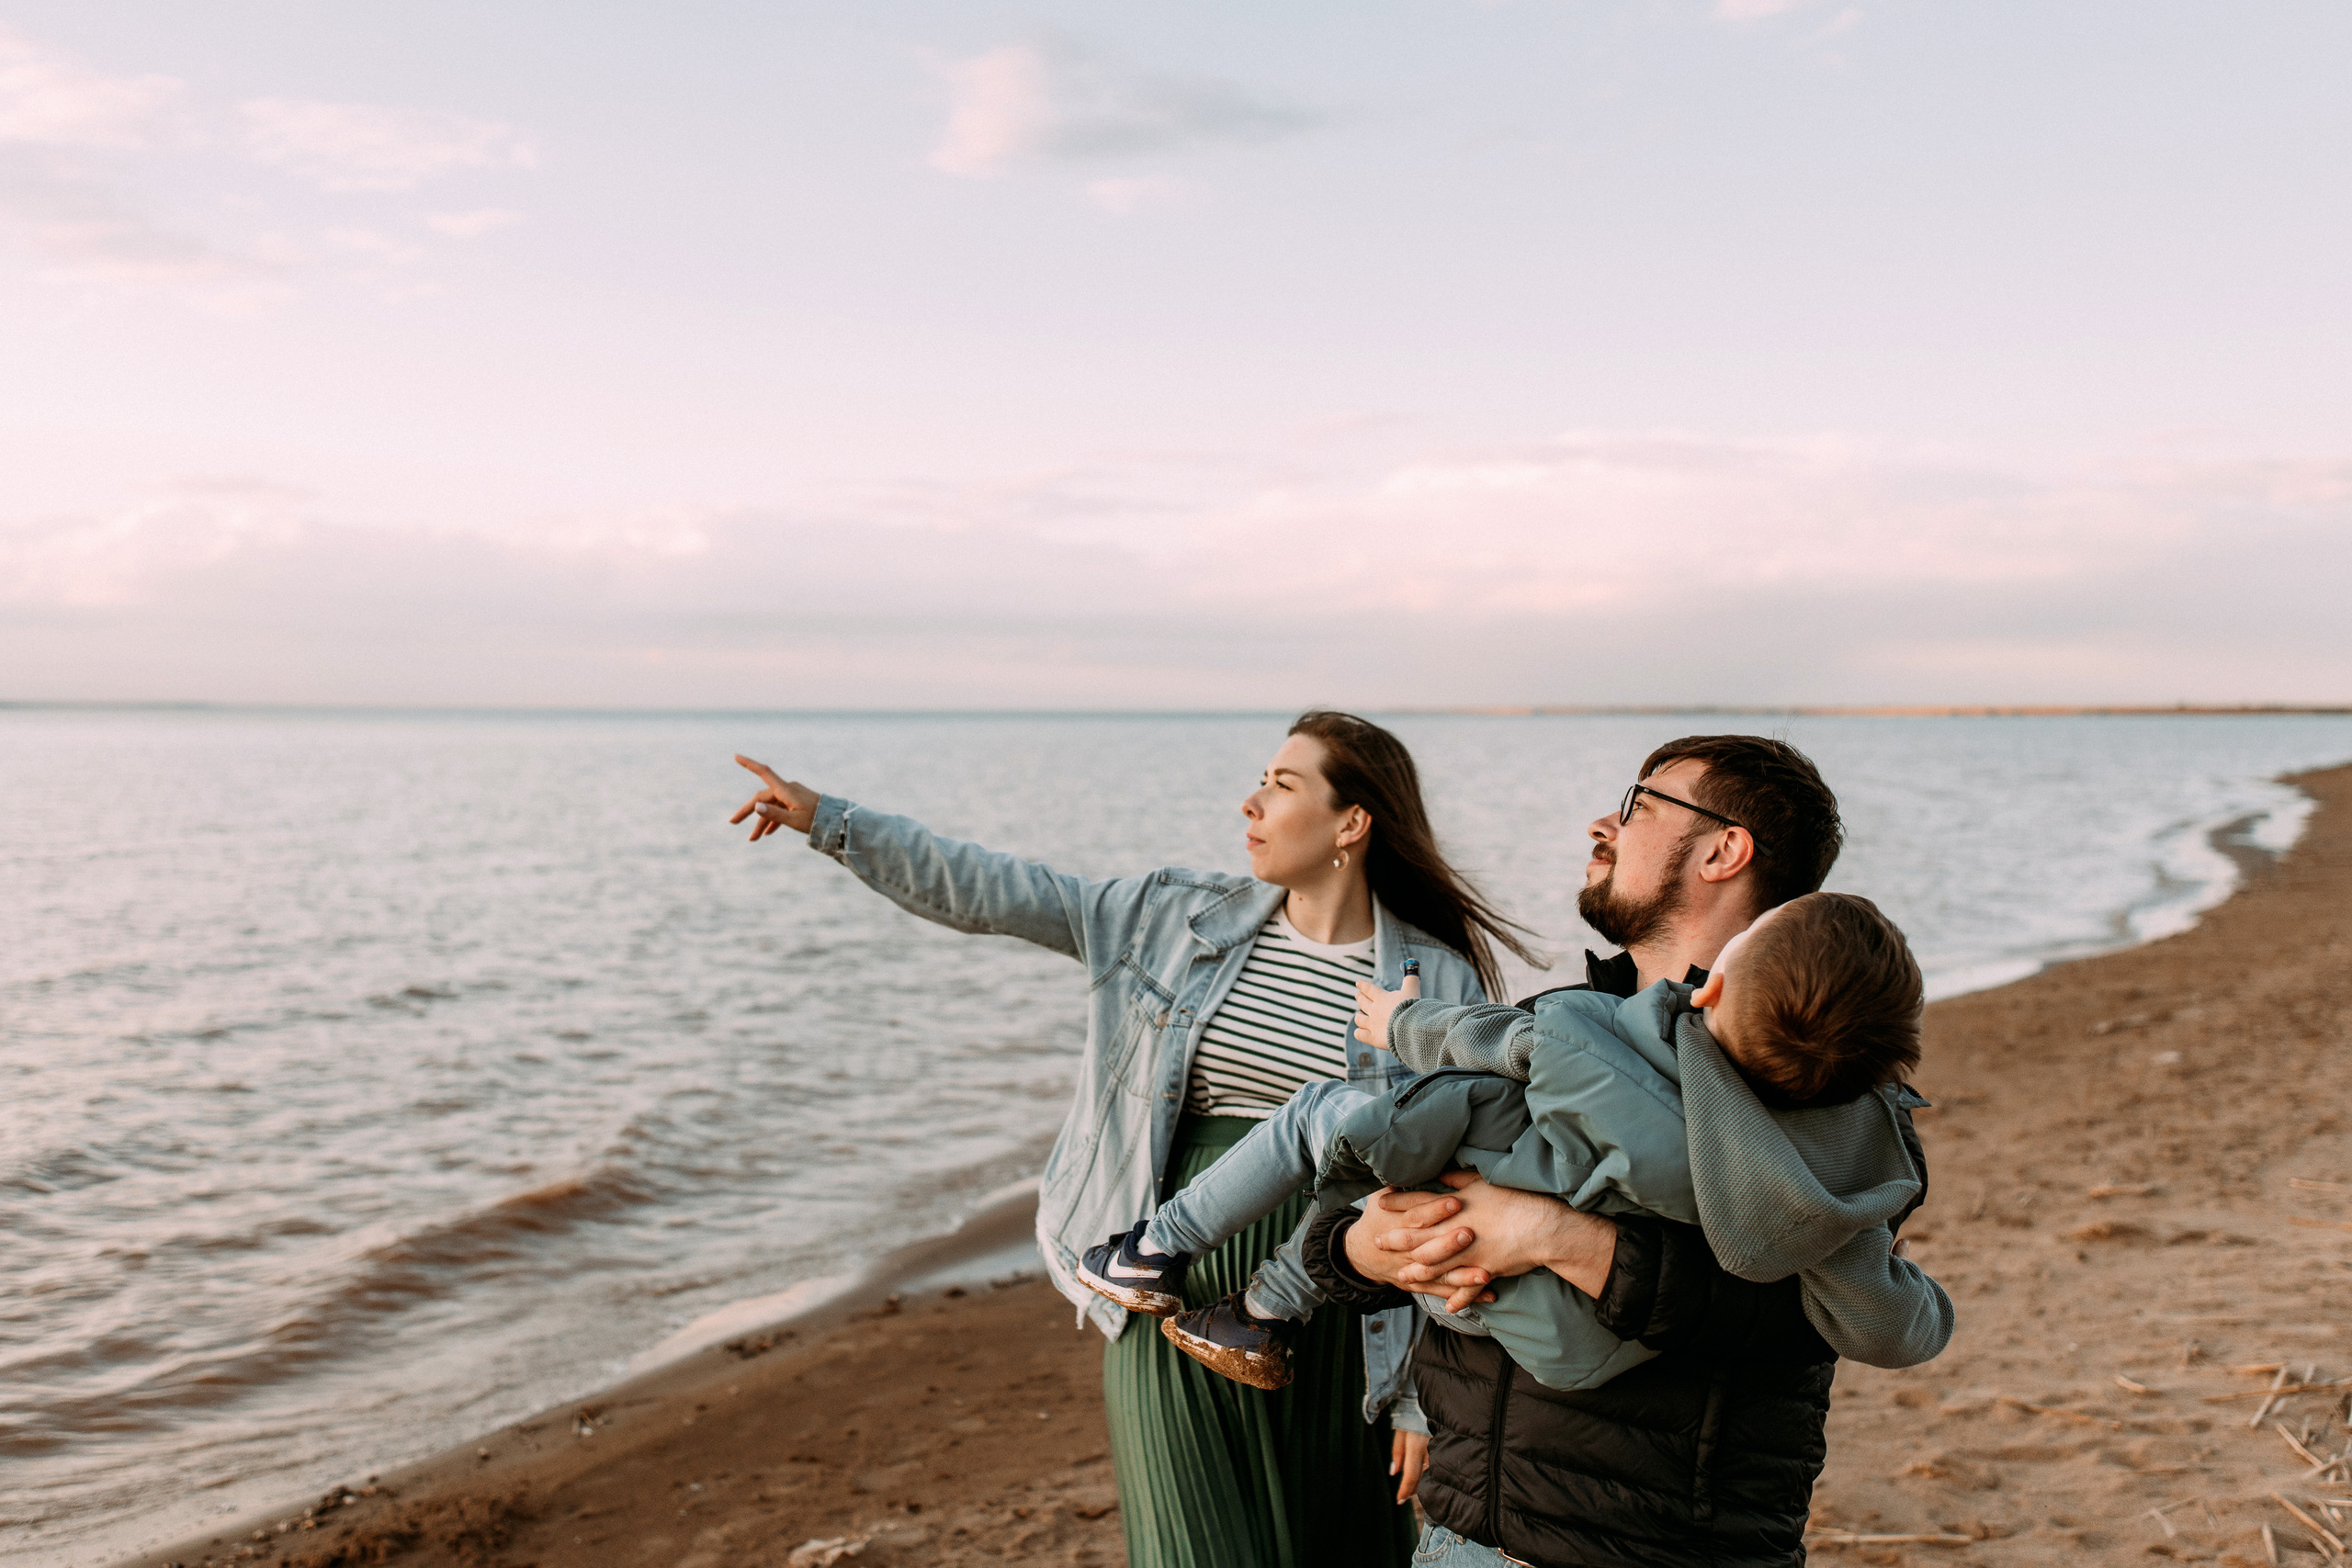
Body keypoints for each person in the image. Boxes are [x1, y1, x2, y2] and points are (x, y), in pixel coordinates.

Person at [728, 711, 1539, 1568]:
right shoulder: (1173, 915)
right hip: (1170, 1288)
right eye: (1260, 781)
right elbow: (997, 890)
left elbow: (1451, 1192)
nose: (1251, 802)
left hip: (1338, 1309)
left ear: (1352, 821)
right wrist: (833, 821)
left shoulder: (1436, 978)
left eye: (1281, 784)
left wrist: (1416, 1395)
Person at [1310, 736, 1933, 1567]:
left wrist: (1553, 1237)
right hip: (1460, 1540)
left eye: (1639, 804)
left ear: (1723, 850)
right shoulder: (1552, 1024)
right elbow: (1344, 1217)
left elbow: (1796, 1321)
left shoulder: (1834, 1099)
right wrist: (1369, 1245)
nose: (1603, 822)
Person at [1079, 889, 1951, 1402]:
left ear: (1712, 984)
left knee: (1329, 1112)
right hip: (1565, 1340)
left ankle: (1157, 1251)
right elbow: (1895, 1328)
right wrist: (1912, 1286)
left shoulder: (1599, 1036)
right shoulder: (1820, 1191)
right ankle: (1266, 1310)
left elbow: (1490, 1036)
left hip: (1462, 1276)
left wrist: (1400, 1021)